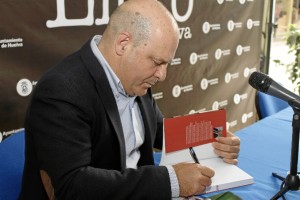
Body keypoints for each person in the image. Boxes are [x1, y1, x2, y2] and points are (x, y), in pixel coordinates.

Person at [19, 0, 240, 199]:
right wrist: (172, 181)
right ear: (123, 44)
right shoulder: (62, 90)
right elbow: (71, 186)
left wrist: (211, 137)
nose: (162, 75)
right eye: (157, 62)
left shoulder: (136, 76)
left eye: (166, 64)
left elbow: (158, 130)